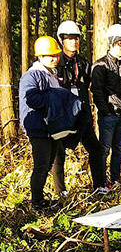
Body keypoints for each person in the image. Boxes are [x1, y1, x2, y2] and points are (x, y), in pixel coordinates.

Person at [19, 37, 79, 211]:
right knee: (41, 167)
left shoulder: (51, 74)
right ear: (40, 57)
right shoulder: (32, 75)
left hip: (50, 129)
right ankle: (36, 204)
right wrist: (55, 97)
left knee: (48, 164)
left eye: (56, 55)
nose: (55, 59)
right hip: (38, 129)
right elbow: (32, 99)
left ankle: (41, 201)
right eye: (50, 56)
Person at [54, 20, 107, 195]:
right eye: (70, 38)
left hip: (81, 115)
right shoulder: (56, 64)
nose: (74, 42)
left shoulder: (83, 64)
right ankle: (61, 191)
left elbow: (90, 87)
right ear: (62, 40)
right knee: (59, 153)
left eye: (76, 38)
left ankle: (99, 186)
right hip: (63, 116)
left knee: (95, 148)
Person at [91, 24, 121, 187]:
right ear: (111, 43)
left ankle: (115, 179)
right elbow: (97, 91)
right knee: (104, 150)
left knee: (118, 149)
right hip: (108, 116)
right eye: (119, 44)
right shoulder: (100, 65)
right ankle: (102, 183)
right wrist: (106, 110)